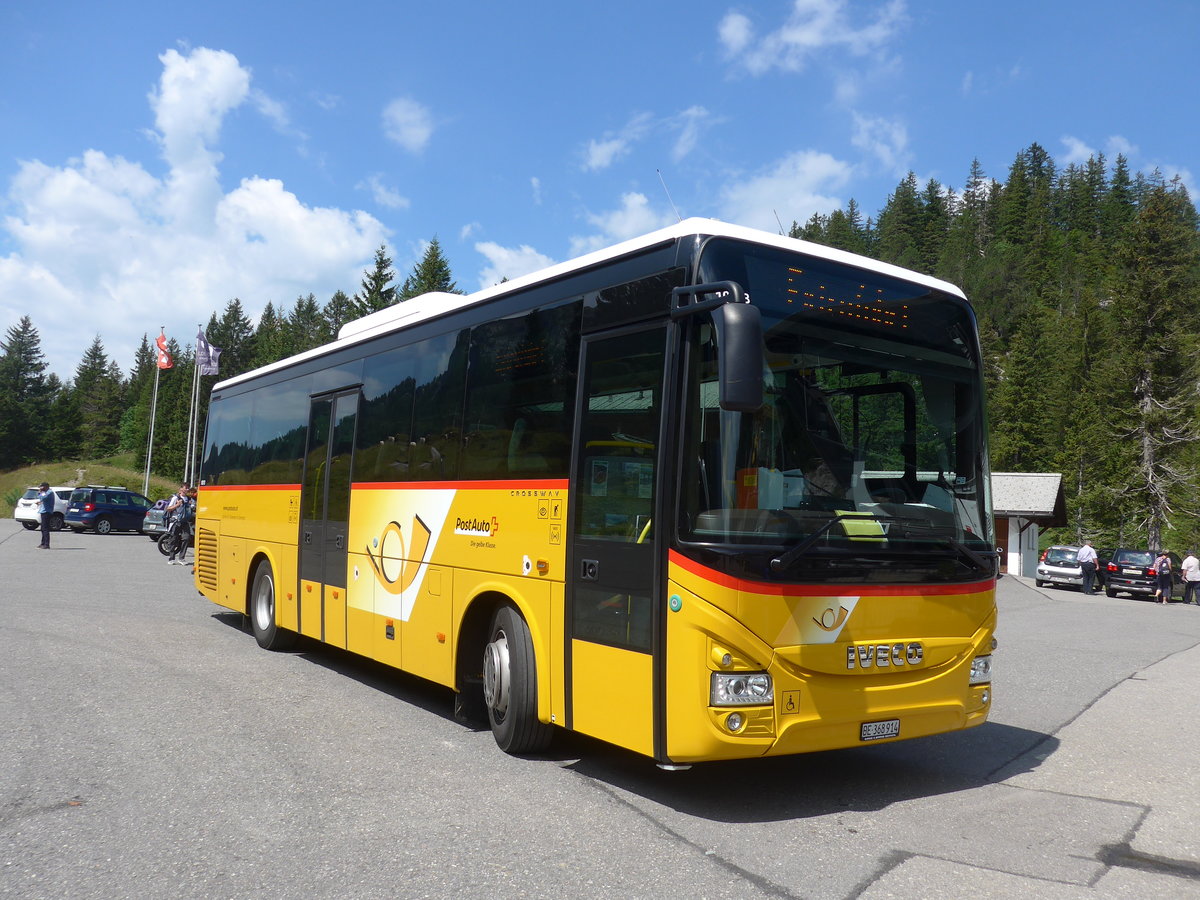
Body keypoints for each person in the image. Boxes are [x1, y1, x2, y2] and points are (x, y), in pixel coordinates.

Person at [167, 486, 195, 566]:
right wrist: (177, 505)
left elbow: (193, 507)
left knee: (186, 538)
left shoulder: (189, 499)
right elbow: (168, 509)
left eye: (187, 488)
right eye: (185, 488)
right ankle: (171, 558)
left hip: (185, 521)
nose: (187, 489)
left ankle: (181, 558)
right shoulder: (175, 498)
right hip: (176, 521)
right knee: (173, 539)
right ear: (180, 489)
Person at [36, 482, 54, 549]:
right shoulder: (45, 492)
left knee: (45, 529)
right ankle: (42, 543)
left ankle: (46, 544)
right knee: (42, 528)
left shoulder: (49, 492)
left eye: (42, 486)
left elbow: (44, 497)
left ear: (46, 486)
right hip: (43, 511)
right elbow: (41, 498)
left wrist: (41, 492)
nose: (41, 488)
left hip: (47, 512)